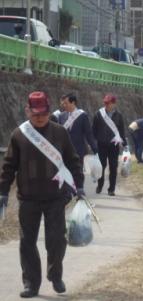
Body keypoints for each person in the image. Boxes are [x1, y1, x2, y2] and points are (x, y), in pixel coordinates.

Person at [0, 91, 84, 298]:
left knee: (56, 240)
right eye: (36, 114)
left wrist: (79, 185)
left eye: (44, 113)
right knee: (27, 242)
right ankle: (31, 283)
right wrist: (3, 191)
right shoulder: (19, 135)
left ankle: (55, 275)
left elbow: (73, 160)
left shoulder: (60, 133)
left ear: (49, 110)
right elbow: (9, 166)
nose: (40, 117)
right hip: (28, 198)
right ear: (28, 111)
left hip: (55, 196)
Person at [92, 94, 127, 196]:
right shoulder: (99, 114)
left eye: (108, 103)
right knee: (101, 166)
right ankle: (100, 185)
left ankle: (111, 189)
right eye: (105, 103)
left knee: (113, 167)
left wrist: (124, 144)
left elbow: (121, 131)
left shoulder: (119, 116)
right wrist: (94, 142)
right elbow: (94, 129)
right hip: (101, 144)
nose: (106, 105)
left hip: (114, 145)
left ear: (114, 104)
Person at [58, 93, 98, 166]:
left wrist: (95, 150)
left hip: (79, 151)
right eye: (63, 104)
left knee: (78, 175)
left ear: (73, 102)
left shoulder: (82, 116)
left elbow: (88, 134)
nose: (64, 105)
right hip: (64, 152)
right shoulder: (61, 116)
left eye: (66, 103)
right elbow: (59, 134)